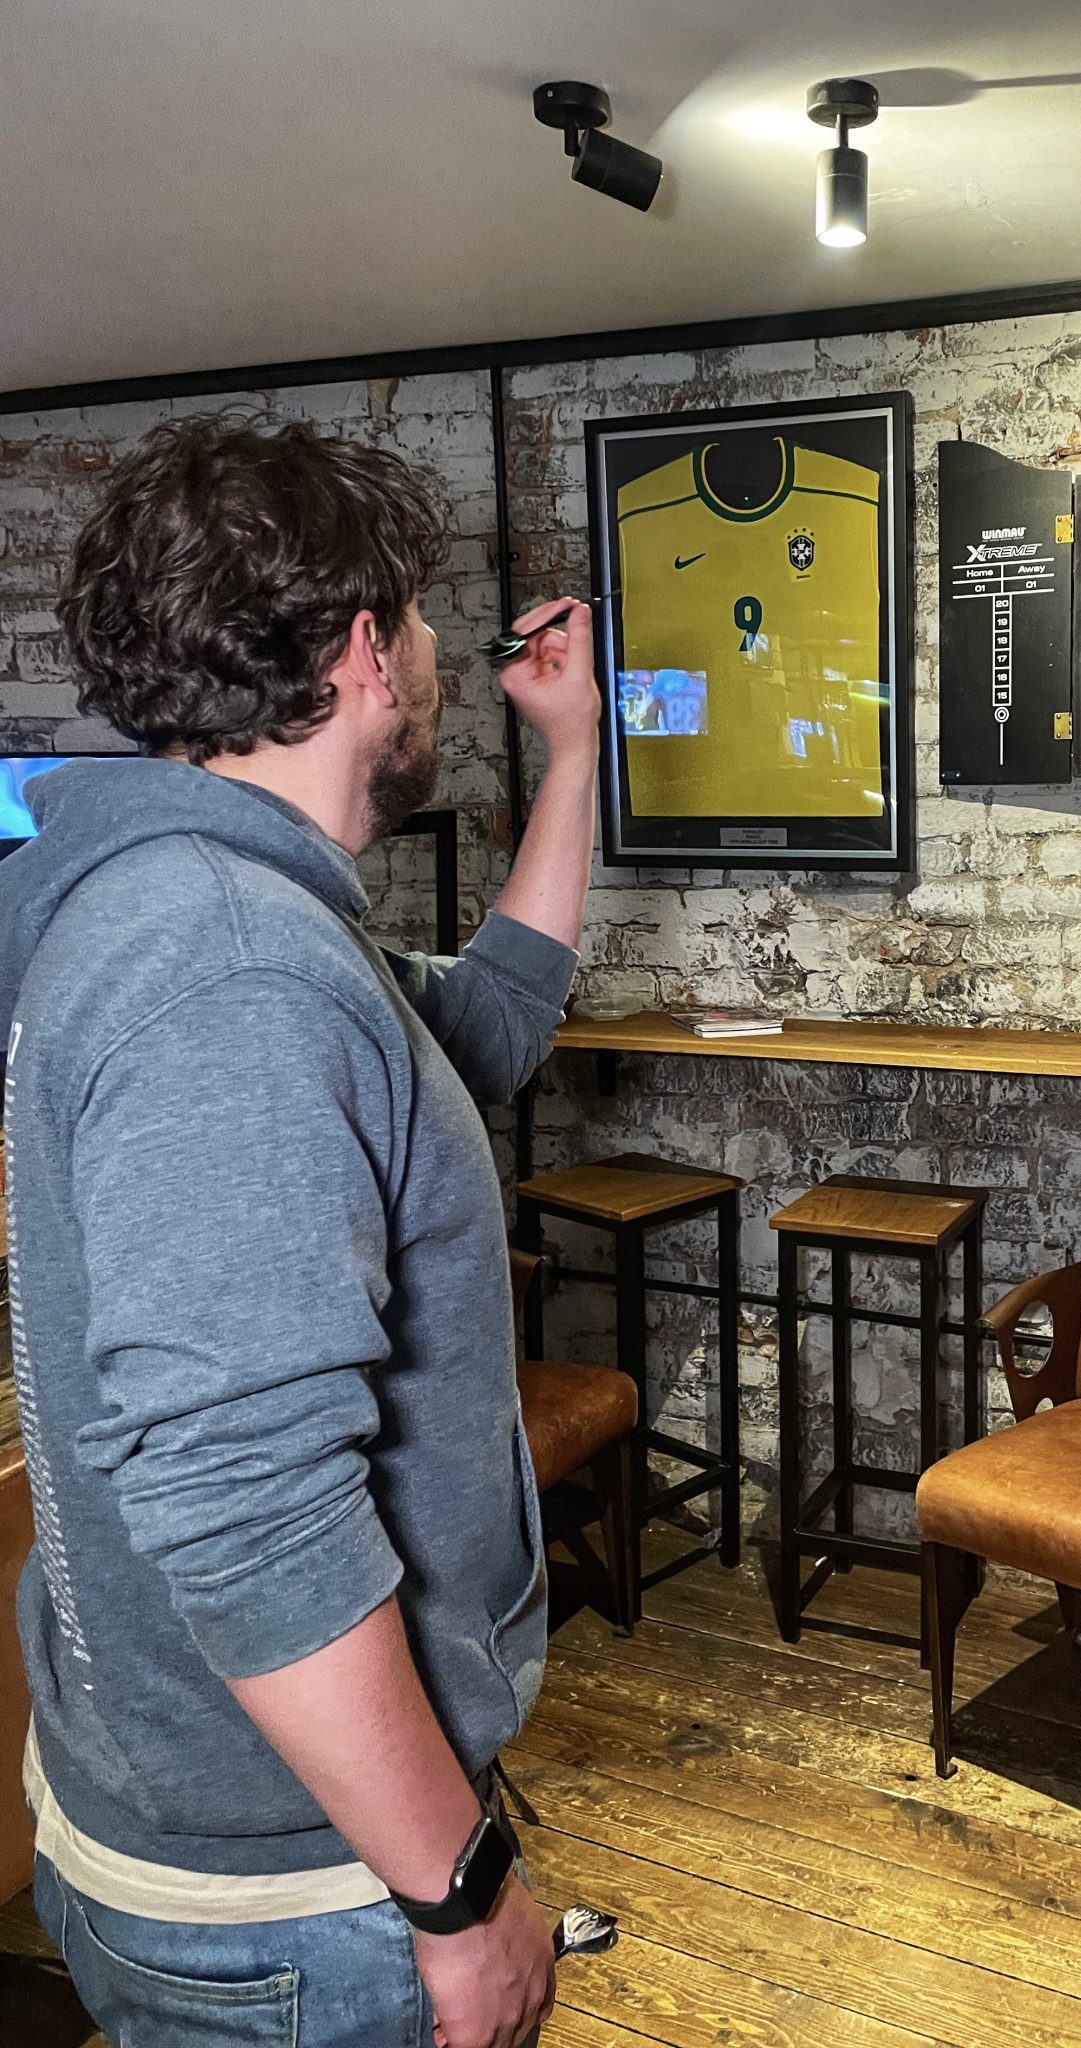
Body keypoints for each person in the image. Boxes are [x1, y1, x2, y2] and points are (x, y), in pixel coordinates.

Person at [0, 416, 601, 2047]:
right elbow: (245, 1505)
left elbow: (487, 1026)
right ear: (363, 652)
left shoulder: (191, 910)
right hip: (295, 1896)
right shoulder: (230, 966)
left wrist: (572, 755)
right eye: (418, 623)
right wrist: (459, 1891)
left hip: (231, 1818)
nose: (435, 661)